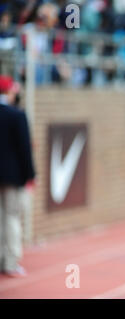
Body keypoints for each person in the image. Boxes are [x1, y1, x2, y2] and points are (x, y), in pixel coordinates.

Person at [0, 75, 35, 277]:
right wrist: (30, 175)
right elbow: (24, 149)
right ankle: (10, 261)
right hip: (12, 177)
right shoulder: (17, 115)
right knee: (11, 218)